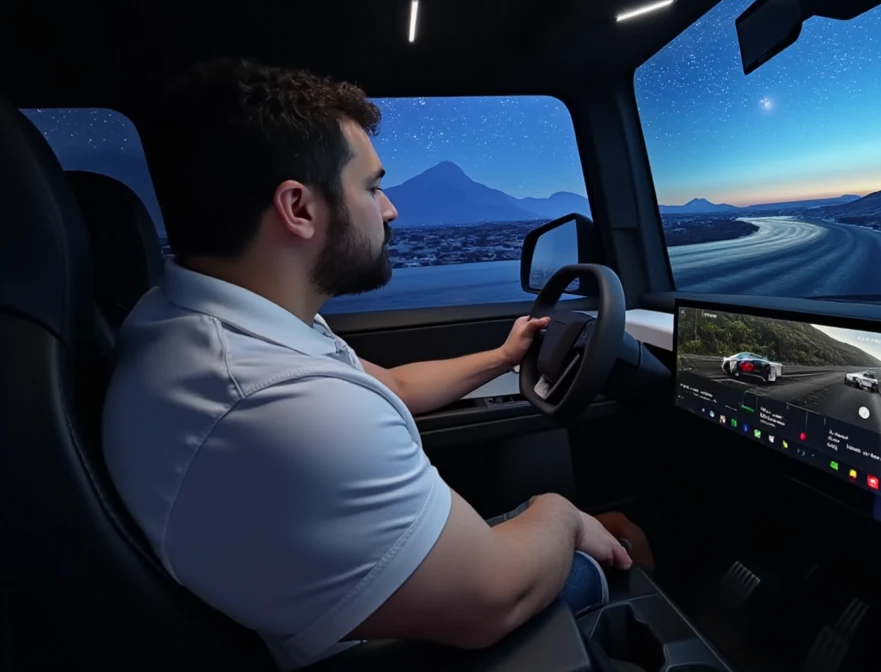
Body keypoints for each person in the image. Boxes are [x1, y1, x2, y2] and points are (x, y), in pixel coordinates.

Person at [102, 58, 653, 671]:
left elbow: (390, 383)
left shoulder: (206, 320)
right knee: (620, 538)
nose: (390, 210)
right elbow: (495, 599)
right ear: (299, 208)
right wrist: (559, 511)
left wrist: (503, 355)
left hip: (319, 603)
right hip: (366, 650)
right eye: (371, 186)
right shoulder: (283, 402)